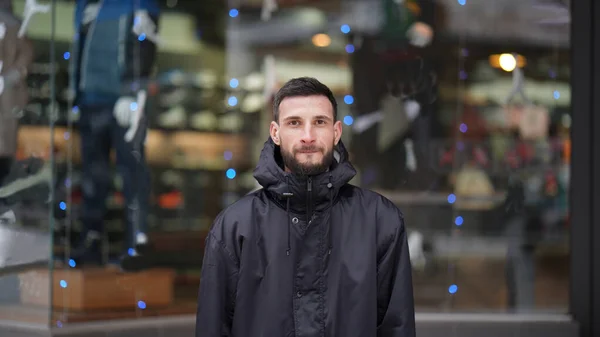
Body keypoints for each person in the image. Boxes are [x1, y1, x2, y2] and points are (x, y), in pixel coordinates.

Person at [196, 77, 415, 337]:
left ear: (336, 132)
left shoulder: (380, 221)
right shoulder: (234, 226)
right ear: (275, 133)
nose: (308, 136)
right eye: (294, 123)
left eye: (319, 122)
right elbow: (213, 327)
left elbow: (396, 327)